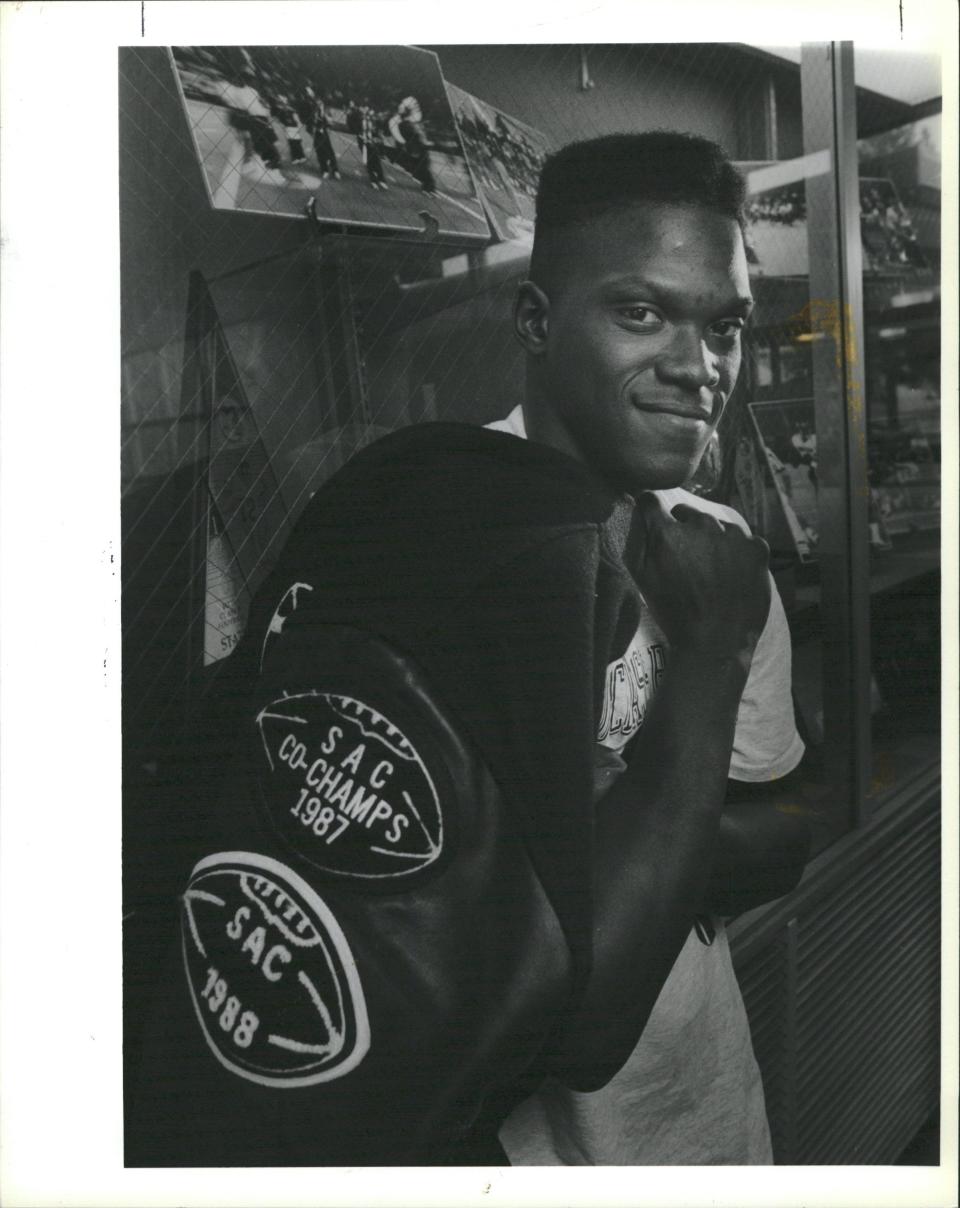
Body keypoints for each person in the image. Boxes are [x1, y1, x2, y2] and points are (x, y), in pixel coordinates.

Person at [125, 131, 809, 1168]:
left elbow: (785, 819)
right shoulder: (434, 538)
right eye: (641, 311)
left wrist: (565, 854)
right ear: (536, 321)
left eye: (726, 325)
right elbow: (574, 1023)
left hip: (703, 1115)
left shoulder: (715, 553)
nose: (696, 366)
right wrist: (701, 676)